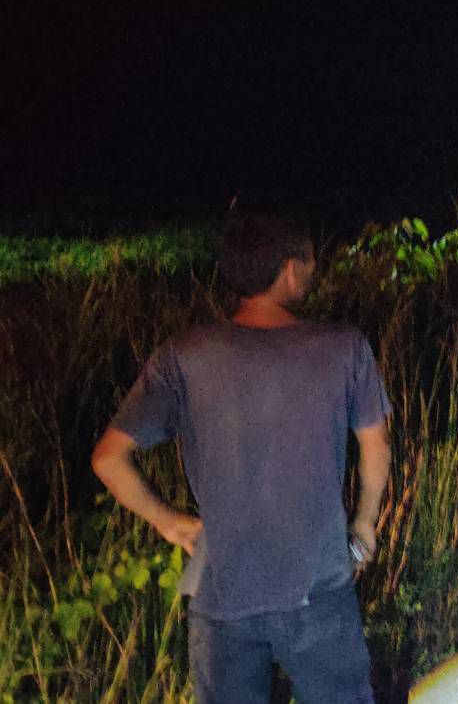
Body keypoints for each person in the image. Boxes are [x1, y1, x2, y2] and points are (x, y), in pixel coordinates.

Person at [92, 212, 392, 704]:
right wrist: (363, 525)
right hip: (317, 585)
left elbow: (108, 459)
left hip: (221, 592)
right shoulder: (343, 347)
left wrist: (168, 522)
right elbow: (375, 446)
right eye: (309, 260)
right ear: (290, 269)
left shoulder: (184, 353)